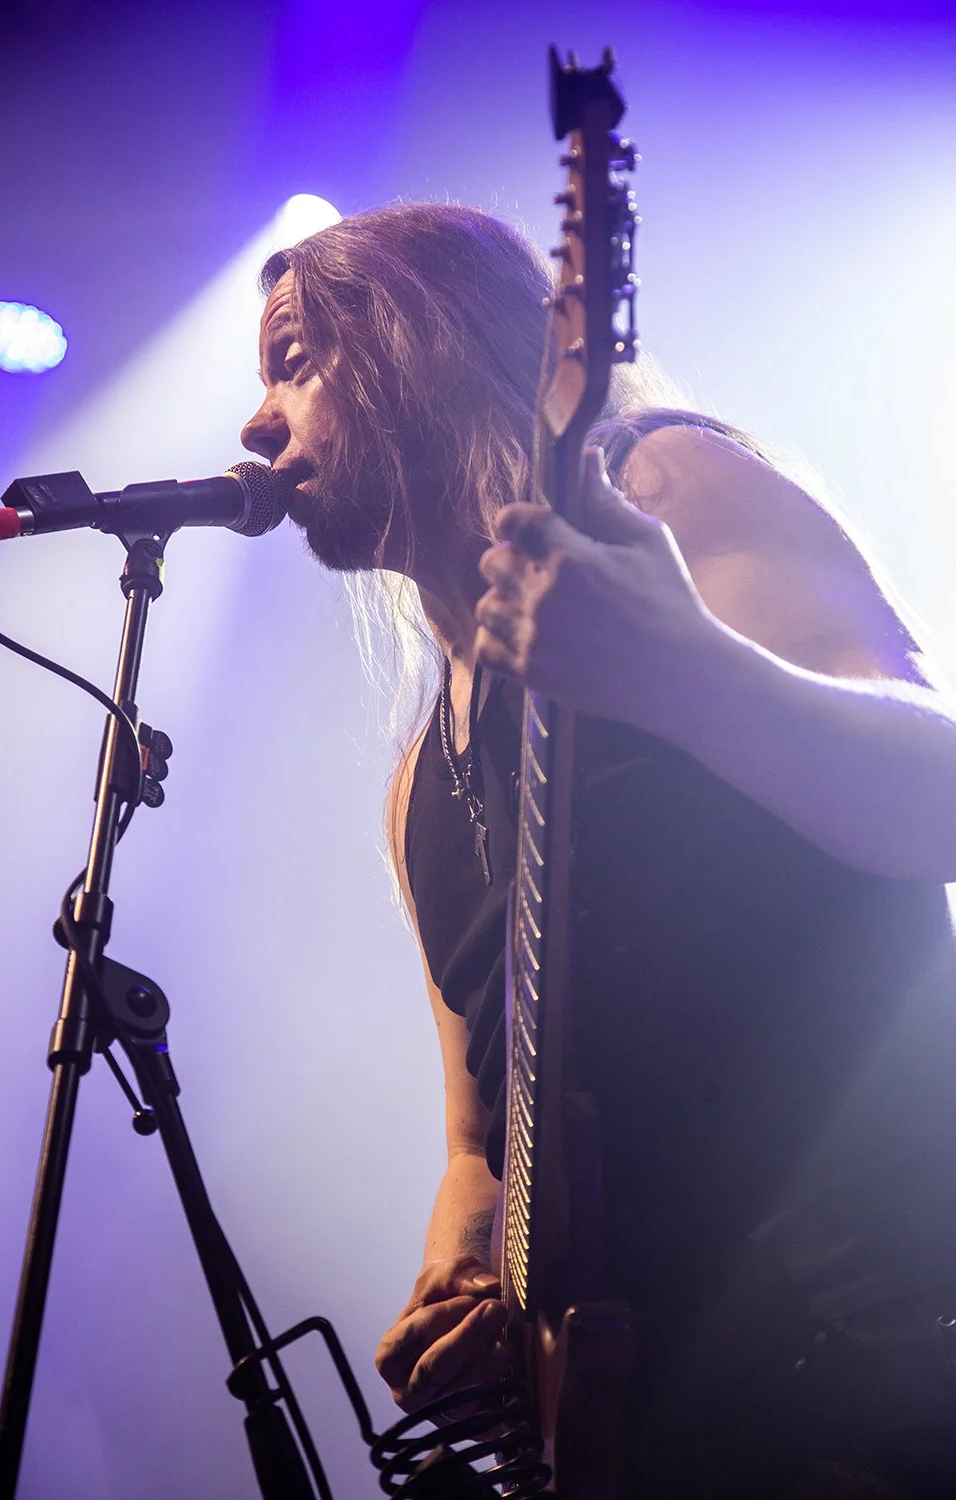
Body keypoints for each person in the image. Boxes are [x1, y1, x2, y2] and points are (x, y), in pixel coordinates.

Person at [240, 202, 956, 1498]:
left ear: (421, 339)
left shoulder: (665, 495)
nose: (256, 422)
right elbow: (481, 1142)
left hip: (890, 1369)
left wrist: (684, 671)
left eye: (294, 361)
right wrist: (460, 1278)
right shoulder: (416, 784)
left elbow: (940, 795)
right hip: (671, 1436)